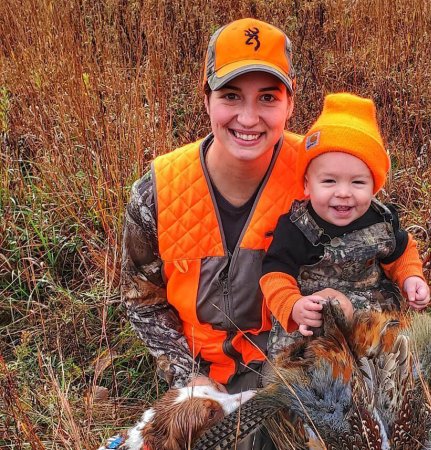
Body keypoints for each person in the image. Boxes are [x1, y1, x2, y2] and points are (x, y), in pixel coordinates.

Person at [117, 17, 309, 449]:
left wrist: (284, 378)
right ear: (206, 98)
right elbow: (144, 302)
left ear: (290, 102)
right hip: (203, 381)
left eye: (267, 97)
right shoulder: (157, 192)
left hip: (292, 369)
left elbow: (364, 274)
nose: (248, 117)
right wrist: (190, 377)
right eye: (230, 96)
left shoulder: (320, 179)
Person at [260, 93, 430, 359]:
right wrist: (292, 306)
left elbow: (402, 251)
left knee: (399, 355)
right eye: (329, 181)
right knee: (295, 368)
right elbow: (274, 274)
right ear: (307, 184)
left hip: (370, 313)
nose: (343, 193)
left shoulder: (381, 220)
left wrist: (411, 278)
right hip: (314, 320)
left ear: (374, 186)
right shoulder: (296, 228)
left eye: (358, 182)